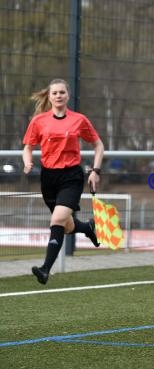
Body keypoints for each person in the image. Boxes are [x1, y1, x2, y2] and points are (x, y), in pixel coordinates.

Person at [22, 78, 105, 285]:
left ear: (68, 95)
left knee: (57, 221)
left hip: (71, 177)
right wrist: (27, 162)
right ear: (49, 97)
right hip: (48, 178)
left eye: (62, 92)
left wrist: (95, 171)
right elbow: (28, 147)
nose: (58, 96)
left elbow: (98, 145)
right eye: (55, 93)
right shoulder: (39, 121)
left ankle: (45, 269)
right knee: (66, 226)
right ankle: (88, 228)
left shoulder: (79, 120)